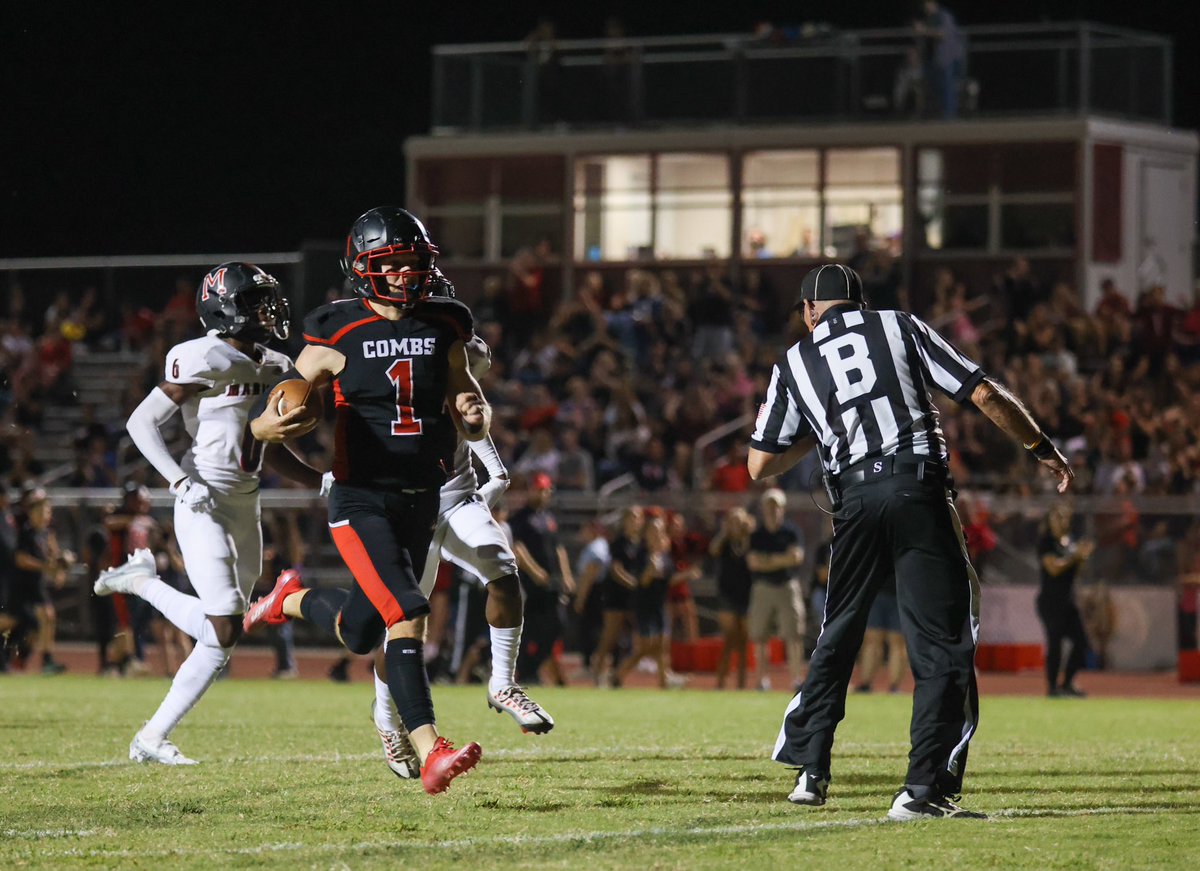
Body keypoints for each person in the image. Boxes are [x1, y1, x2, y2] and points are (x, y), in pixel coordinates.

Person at [749, 263, 1073, 820]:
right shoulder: (897, 325)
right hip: (916, 487)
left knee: (838, 634)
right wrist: (1041, 446)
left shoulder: (793, 362)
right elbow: (983, 393)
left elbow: (759, 463)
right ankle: (922, 789)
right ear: (861, 304)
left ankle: (810, 768)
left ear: (808, 312)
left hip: (854, 501)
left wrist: (824, 432)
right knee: (942, 640)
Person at [240, 208, 486, 794]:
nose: (404, 274)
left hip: (422, 498)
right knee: (408, 612)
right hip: (361, 499)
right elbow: (275, 408)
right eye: (391, 263)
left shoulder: (445, 323)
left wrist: (475, 415)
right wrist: (269, 425)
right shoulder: (336, 329)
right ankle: (431, 749)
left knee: (359, 630)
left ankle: (287, 599)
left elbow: (466, 396)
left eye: (412, 262)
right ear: (362, 267)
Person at [93, 262, 320, 764]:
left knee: (226, 629)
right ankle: (151, 736)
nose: (270, 310)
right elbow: (141, 421)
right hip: (204, 498)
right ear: (226, 308)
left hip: (246, 501)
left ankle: (141, 584)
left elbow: (268, 446)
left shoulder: (277, 365)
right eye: (257, 302)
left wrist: (317, 480)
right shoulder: (203, 356)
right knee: (223, 625)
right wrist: (178, 481)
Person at [510, 473, 575, 687]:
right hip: (531, 584)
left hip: (551, 582)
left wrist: (566, 575)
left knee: (557, 625)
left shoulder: (549, 517)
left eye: (545, 490)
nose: (543, 494)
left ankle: (531, 667)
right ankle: (526, 670)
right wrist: (534, 571)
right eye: (539, 490)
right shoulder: (521, 518)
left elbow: (559, 548)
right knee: (531, 628)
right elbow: (517, 546)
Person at [747, 488, 806, 692]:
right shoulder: (757, 535)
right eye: (769, 506)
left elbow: (796, 558)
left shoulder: (791, 532)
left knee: (794, 634)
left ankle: (796, 679)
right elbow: (753, 562)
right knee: (760, 636)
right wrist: (781, 559)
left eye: (776, 506)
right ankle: (761, 680)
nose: (773, 510)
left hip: (787, 585)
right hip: (763, 586)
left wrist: (768, 561)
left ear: (783, 508)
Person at [9, 487, 74, 674]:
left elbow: (54, 556)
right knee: (33, 623)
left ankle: (37, 660)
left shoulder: (46, 534)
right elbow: (21, 559)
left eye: (46, 511)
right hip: (23, 585)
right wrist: (46, 567)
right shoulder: (26, 533)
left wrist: (61, 568)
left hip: (37, 584)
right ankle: (34, 660)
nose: (43, 515)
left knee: (43, 620)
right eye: (39, 511)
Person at [1036, 503, 1094, 698]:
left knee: (1082, 642)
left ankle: (1068, 682)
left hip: (1068, 601)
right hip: (1050, 601)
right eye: (1057, 517)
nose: (1060, 521)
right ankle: (1053, 688)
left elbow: (1075, 571)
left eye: (1063, 517)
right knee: (1055, 644)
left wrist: (1082, 558)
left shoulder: (1070, 542)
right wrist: (1074, 557)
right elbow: (1053, 568)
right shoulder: (1046, 542)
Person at [614, 512, 672, 688]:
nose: (656, 535)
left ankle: (664, 682)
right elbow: (642, 582)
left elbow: (668, 578)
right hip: (644, 603)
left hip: (659, 603)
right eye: (653, 531)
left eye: (659, 531)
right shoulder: (641, 554)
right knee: (646, 646)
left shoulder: (664, 556)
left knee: (662, 645)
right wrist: (650, 570)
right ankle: (619, 674)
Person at [591, 505, 643, 686]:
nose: (635, 522)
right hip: (617, 595)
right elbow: (615, 569)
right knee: (610, 636)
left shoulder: (640, 543)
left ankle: (618, 673)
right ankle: (598, 672)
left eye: (638, 518)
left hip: (634, 597)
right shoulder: (618, 543)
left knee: (641, 638)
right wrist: (634, 583)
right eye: (632, 518)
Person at [711, 507, 755, 690]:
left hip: (746, 594)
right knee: (729, 638)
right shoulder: (724, 542)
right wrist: (724, 532)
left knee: (744, 641)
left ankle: (741, 684)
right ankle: (720, 682)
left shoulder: (750, 541)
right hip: (727, 594)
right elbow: (713, 550)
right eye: (732, 520)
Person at [854, 576, 908, 694]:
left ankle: (873, 686)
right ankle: (872, 686)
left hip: (891, 591)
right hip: (888, 591)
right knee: (877, 641)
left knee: (893, 642)